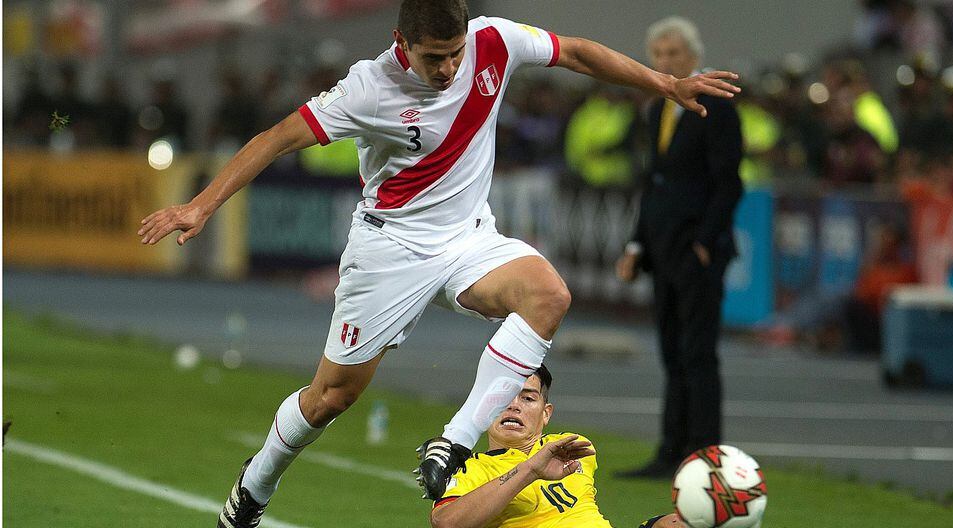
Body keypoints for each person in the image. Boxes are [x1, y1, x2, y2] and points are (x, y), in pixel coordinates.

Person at [138, 2, 740, 525]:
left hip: (469, 239)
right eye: (434, 58)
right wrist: (200, 205)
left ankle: (452, 443)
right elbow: (277, 137)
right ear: (402, 43)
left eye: (455, 54)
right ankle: (256, 484)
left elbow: (577, 53)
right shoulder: (367, 88)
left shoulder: (494, 41)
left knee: (549, 295)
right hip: (389, 250)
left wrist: (665, 84)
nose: (450, 68)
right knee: (330, 398)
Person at [615, 17, 743, 479]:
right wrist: (636, 244)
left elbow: (729, 183)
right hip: (662, 250)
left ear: (694, 57)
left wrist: (706, 242)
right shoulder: (658, 110)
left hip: (695, 249)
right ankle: (671, 451)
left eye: (674, 54)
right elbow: (654, 184)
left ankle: (705, 457)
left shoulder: (717, 106)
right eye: (659, 55)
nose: (665, 62)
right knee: (672, 353)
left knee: (698, 353)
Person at [429, 365, 680, 528]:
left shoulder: (571, 447)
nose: (514, 406)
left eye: (528, 398)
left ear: (546, 413)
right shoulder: (470, 469)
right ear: (484, 410)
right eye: (504, 398)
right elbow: (446, 523)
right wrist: (530, 470)